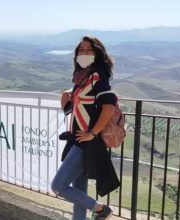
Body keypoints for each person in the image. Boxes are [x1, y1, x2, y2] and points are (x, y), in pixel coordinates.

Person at [51, 36, 120, 220]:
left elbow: (109, 105)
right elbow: (79, 106)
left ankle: (101, 210)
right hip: (78, 139)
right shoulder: (82, 77)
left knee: (58, 186)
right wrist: (68, 95)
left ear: (97, 53)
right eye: (81, 50)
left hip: (86, 143)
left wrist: (92, 133)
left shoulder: (97, 75)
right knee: (78, 192)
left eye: (89, 50)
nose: (84, 53)